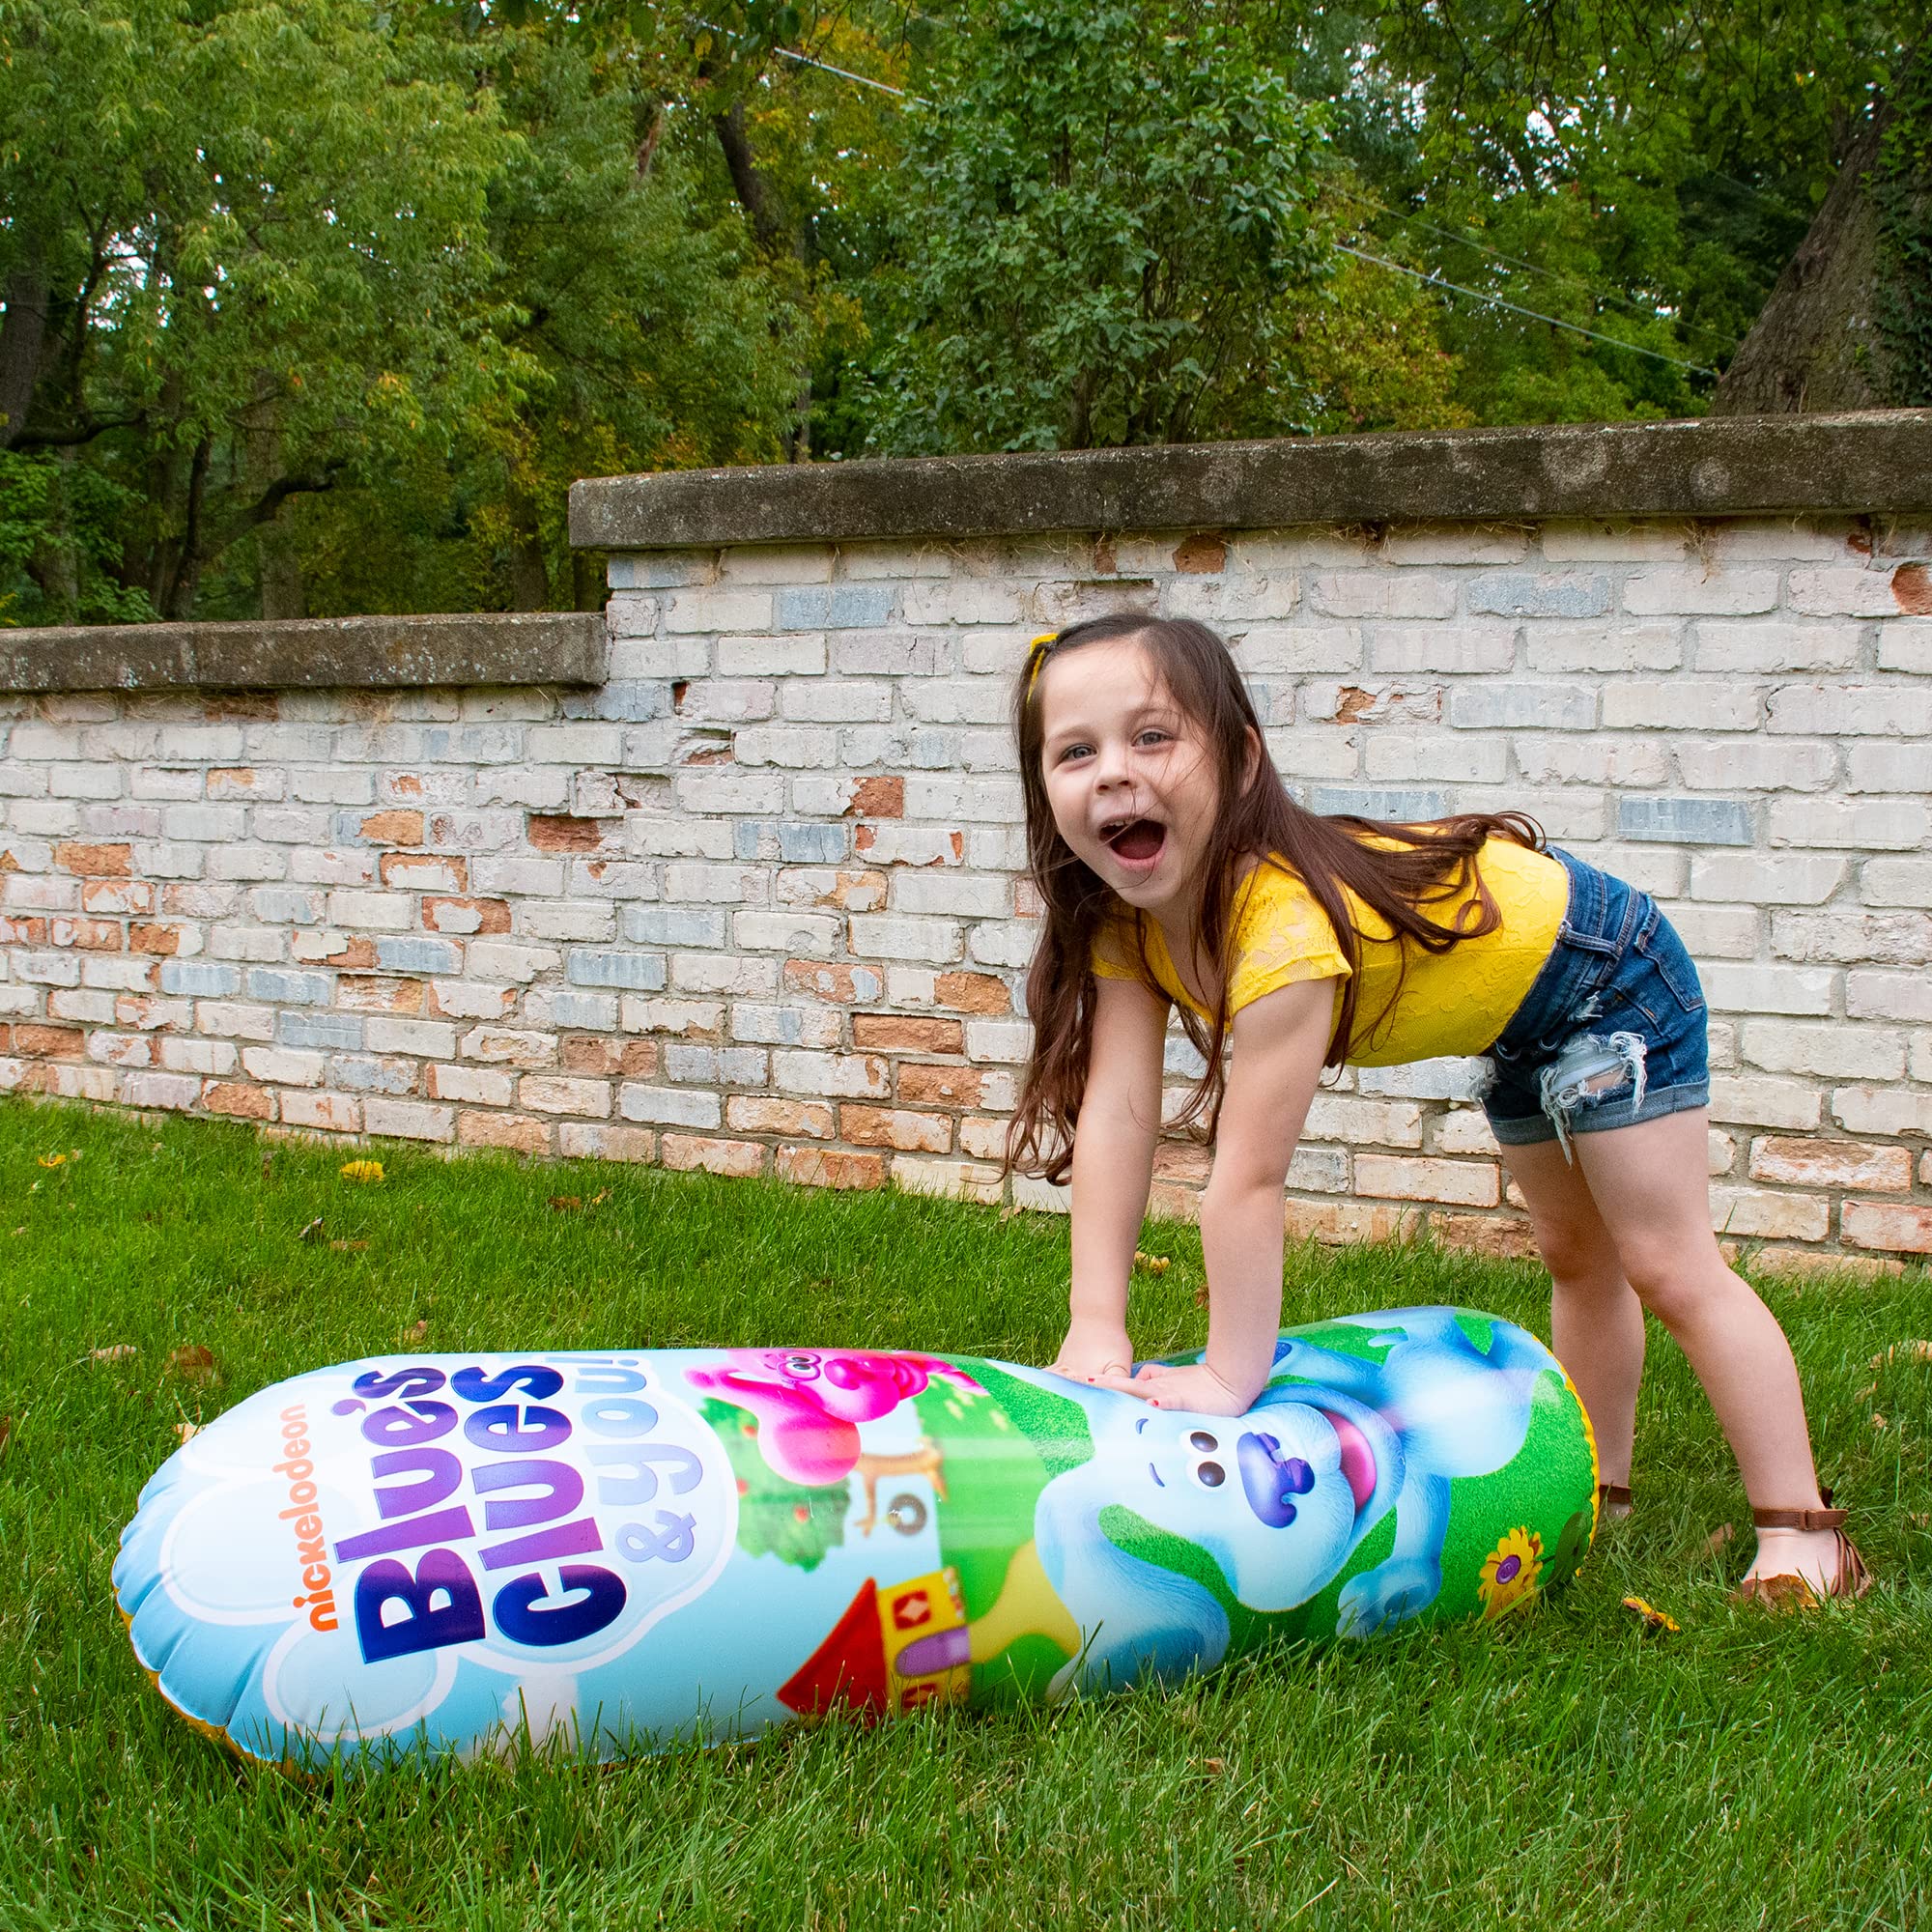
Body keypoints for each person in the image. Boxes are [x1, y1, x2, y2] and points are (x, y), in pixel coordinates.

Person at [1004, 613, 1868, 1604]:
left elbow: (1247, 1174)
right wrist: (1093, 1326)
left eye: (1151, 735)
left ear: (1241, 760)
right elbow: (1116, 1117)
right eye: (1075, 751)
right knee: (1576, 1256)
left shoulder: (1278, 921)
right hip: (1514, 1008)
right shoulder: (1127, 924)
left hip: (1602, 969)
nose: (1112, 770)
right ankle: (1597, 1489)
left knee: (1664, 1259)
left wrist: (1228, 1375)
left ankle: (1802, 1530)